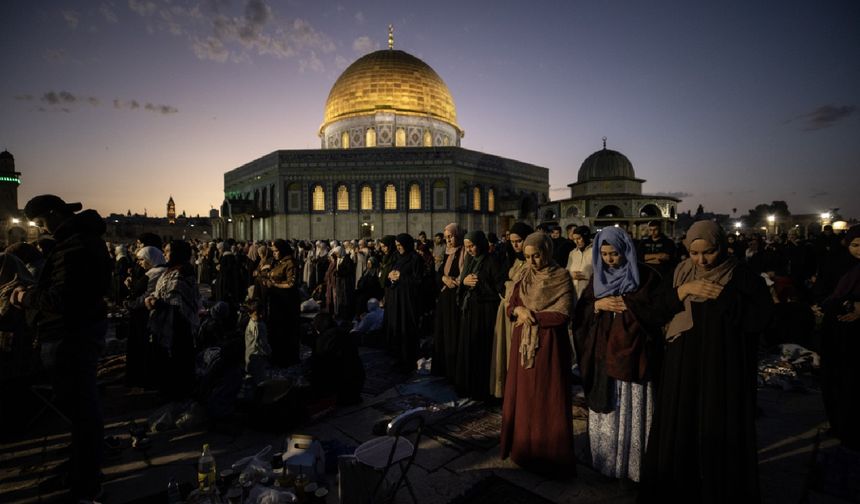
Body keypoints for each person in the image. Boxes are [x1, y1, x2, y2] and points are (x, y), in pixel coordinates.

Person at [639, 221, 773, 502]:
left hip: (723, 366)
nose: (701, 261)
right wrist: (683, 291)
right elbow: (653, 313)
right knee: (682, 422)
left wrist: (724, 298)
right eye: (694, 253)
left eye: (709, 253)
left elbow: (760, 318)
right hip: (682, 363)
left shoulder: (742, 276)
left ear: (722, 247)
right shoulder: (681, 273)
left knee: (717, 425)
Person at [11, 194, 112, 501]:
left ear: (55, 215)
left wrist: (24, 298)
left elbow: (64, 298)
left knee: (83, 414)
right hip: (74, 336)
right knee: (81, 414)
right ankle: (81, 469)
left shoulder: (76, 245)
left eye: (41, 223)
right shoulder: (78, 242)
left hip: (72, 338)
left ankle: (86, 483)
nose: (42, 229)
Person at [573, 227, 671, 482]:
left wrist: (630, 307)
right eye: (604, 254)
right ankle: (608, 462)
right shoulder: (598, 279)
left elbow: (659, 312)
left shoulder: (647, 277)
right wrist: (597, 305)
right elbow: (580, 316)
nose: (609, 260)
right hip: (604, 356)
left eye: (614, 254)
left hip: (635, 358)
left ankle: (635, 465)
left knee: (632, 409)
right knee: (610, 406)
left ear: (625, 250)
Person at [499, 232, 576, 476]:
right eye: (528, 257)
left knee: (545, 397)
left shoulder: (561, 276)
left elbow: (563, 313)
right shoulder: (524, 275)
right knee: (524, 397)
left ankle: (548, 454)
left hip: (549, 345)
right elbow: (511, 303)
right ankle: (523, 449)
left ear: (548, 251)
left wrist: (531, 316)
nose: (533, 262)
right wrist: (519, 309)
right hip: (522, 344)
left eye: (537, 256)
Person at [817, 225, 860, 449]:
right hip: (837, 332)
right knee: (836, 380)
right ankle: (840, 424)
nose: (859, 250)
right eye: (855, 245)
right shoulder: (839, 265)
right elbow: (827, 290)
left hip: (855, 336)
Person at [145, 240, 201, 401]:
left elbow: (179, 302)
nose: (165, 254)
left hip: (178, 325)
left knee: (178, 359)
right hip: (166, 324)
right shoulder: (169, 271)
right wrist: (152, 299)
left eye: (168, 251)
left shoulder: (183, 272)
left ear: (177, 253)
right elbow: (162, 293)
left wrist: (158, 303)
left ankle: (178, 392)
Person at [455, 231, 505, 400]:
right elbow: (462, 284)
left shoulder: (492, 261)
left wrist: (478, 283)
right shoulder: (469, 260)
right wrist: (464, 282)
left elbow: (499, 289)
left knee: (482, 351)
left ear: (481, 244)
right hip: (469, 312)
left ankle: (482, 389)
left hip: (485, 314)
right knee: (469, 347)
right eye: (467, 247)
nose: (469, 250)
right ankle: (467, 386)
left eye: (472, 246)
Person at [490, 222, 533, 398]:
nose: (515, 245)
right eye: (512, 241)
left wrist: (510, 288)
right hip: (506, 310)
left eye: (519, 241)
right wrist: (508, 288)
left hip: (522, 313)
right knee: (505, 351)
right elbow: (500, 282)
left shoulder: (532, 261)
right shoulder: (511, 259)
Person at [383, 234, 424, 372]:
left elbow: (419, 282)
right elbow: (390, 275)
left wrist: (401, 277)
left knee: (407, 328)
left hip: (408, 302)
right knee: (397, 327)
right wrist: (390, 277)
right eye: (397, 246)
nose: (399, 248)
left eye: (400, 246)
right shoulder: (397, 258)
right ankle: (398, 357)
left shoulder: (415, 259)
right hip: (395, 299)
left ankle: (409, 360)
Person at [431, 223, 465, 381]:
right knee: (442, 332)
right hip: (445, 298)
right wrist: (444, 278)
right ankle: (443, 368)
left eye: (451, 237)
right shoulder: (447, 253)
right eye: (446, 238)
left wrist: (457, 281)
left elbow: (466, 272)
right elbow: (438, 273)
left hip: (457, 298)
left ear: (457, 235)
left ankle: (453, 371)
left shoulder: (465, 252)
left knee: (454, 333)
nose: (449, 240)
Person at [263, 239, 301, 367]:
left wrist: (274, 284)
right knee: (275, 330)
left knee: (285, 330)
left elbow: (291, 283)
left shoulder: (290, 263)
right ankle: (277, 356)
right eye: (273, 251)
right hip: (276, 301)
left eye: (276, 251)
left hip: (287, 303)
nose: (274, 253)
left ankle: (287, 358)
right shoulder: (278, 262)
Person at [566, 225, 593, 309]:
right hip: (574, 293)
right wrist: (571, 275)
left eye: (579, 238)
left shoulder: (595, 251)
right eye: (574, 239)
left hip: (589, 292)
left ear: (585, 237)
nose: (576, 242)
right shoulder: (573, 253)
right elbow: (567, 270)